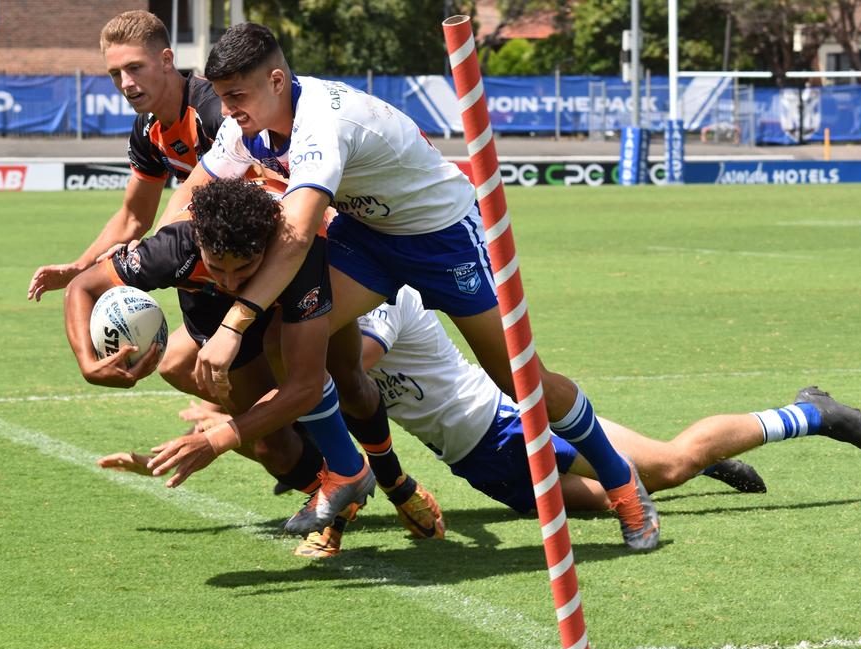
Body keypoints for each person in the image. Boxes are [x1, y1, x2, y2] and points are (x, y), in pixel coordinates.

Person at [146, 22, 661, 552]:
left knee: (521, 383)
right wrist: (155, 254)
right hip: (368, 239)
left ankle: (622, 482)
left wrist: (235, 322)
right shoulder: (245, 123)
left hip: (443, 237)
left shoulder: (322, 123)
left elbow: (298, 234)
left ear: (277, 81)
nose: (225, 109)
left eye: (236, 96)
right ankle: (346, 472)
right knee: (289, 342)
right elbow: (194, 189)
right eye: (222, 97)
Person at [150, 286, 861, 557]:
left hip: (503, 429)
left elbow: (336, 387)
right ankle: (669, 463)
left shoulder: (382, 302)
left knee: (661, 468)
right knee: (603, 503)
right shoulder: (338, 304)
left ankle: (808, 411)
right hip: (479, 456)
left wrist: (233, 419)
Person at [64, 177, 391, 533]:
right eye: (217, 267)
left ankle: (398, 483)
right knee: (271, 446)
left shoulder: (298, 249)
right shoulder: (174, 249)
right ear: (199, 242)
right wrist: (88, 363)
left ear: (266, 249)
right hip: (211, 315)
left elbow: (307, 387)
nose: (231, 283)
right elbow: (83, 287)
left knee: (348, 384)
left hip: (299, 292)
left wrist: (215, 440)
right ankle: (337, 502)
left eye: (244, 268)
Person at [27, 9, 230, 392]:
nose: (125, 83)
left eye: (135, 68)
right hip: (203, 267)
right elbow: (133, 217)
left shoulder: (213, 111)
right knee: (177, 367)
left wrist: (162, 239)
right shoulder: (148, 128)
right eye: (115, 73)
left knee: (291, 389)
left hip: (254, 260)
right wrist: (79, 268)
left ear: (167, 60)